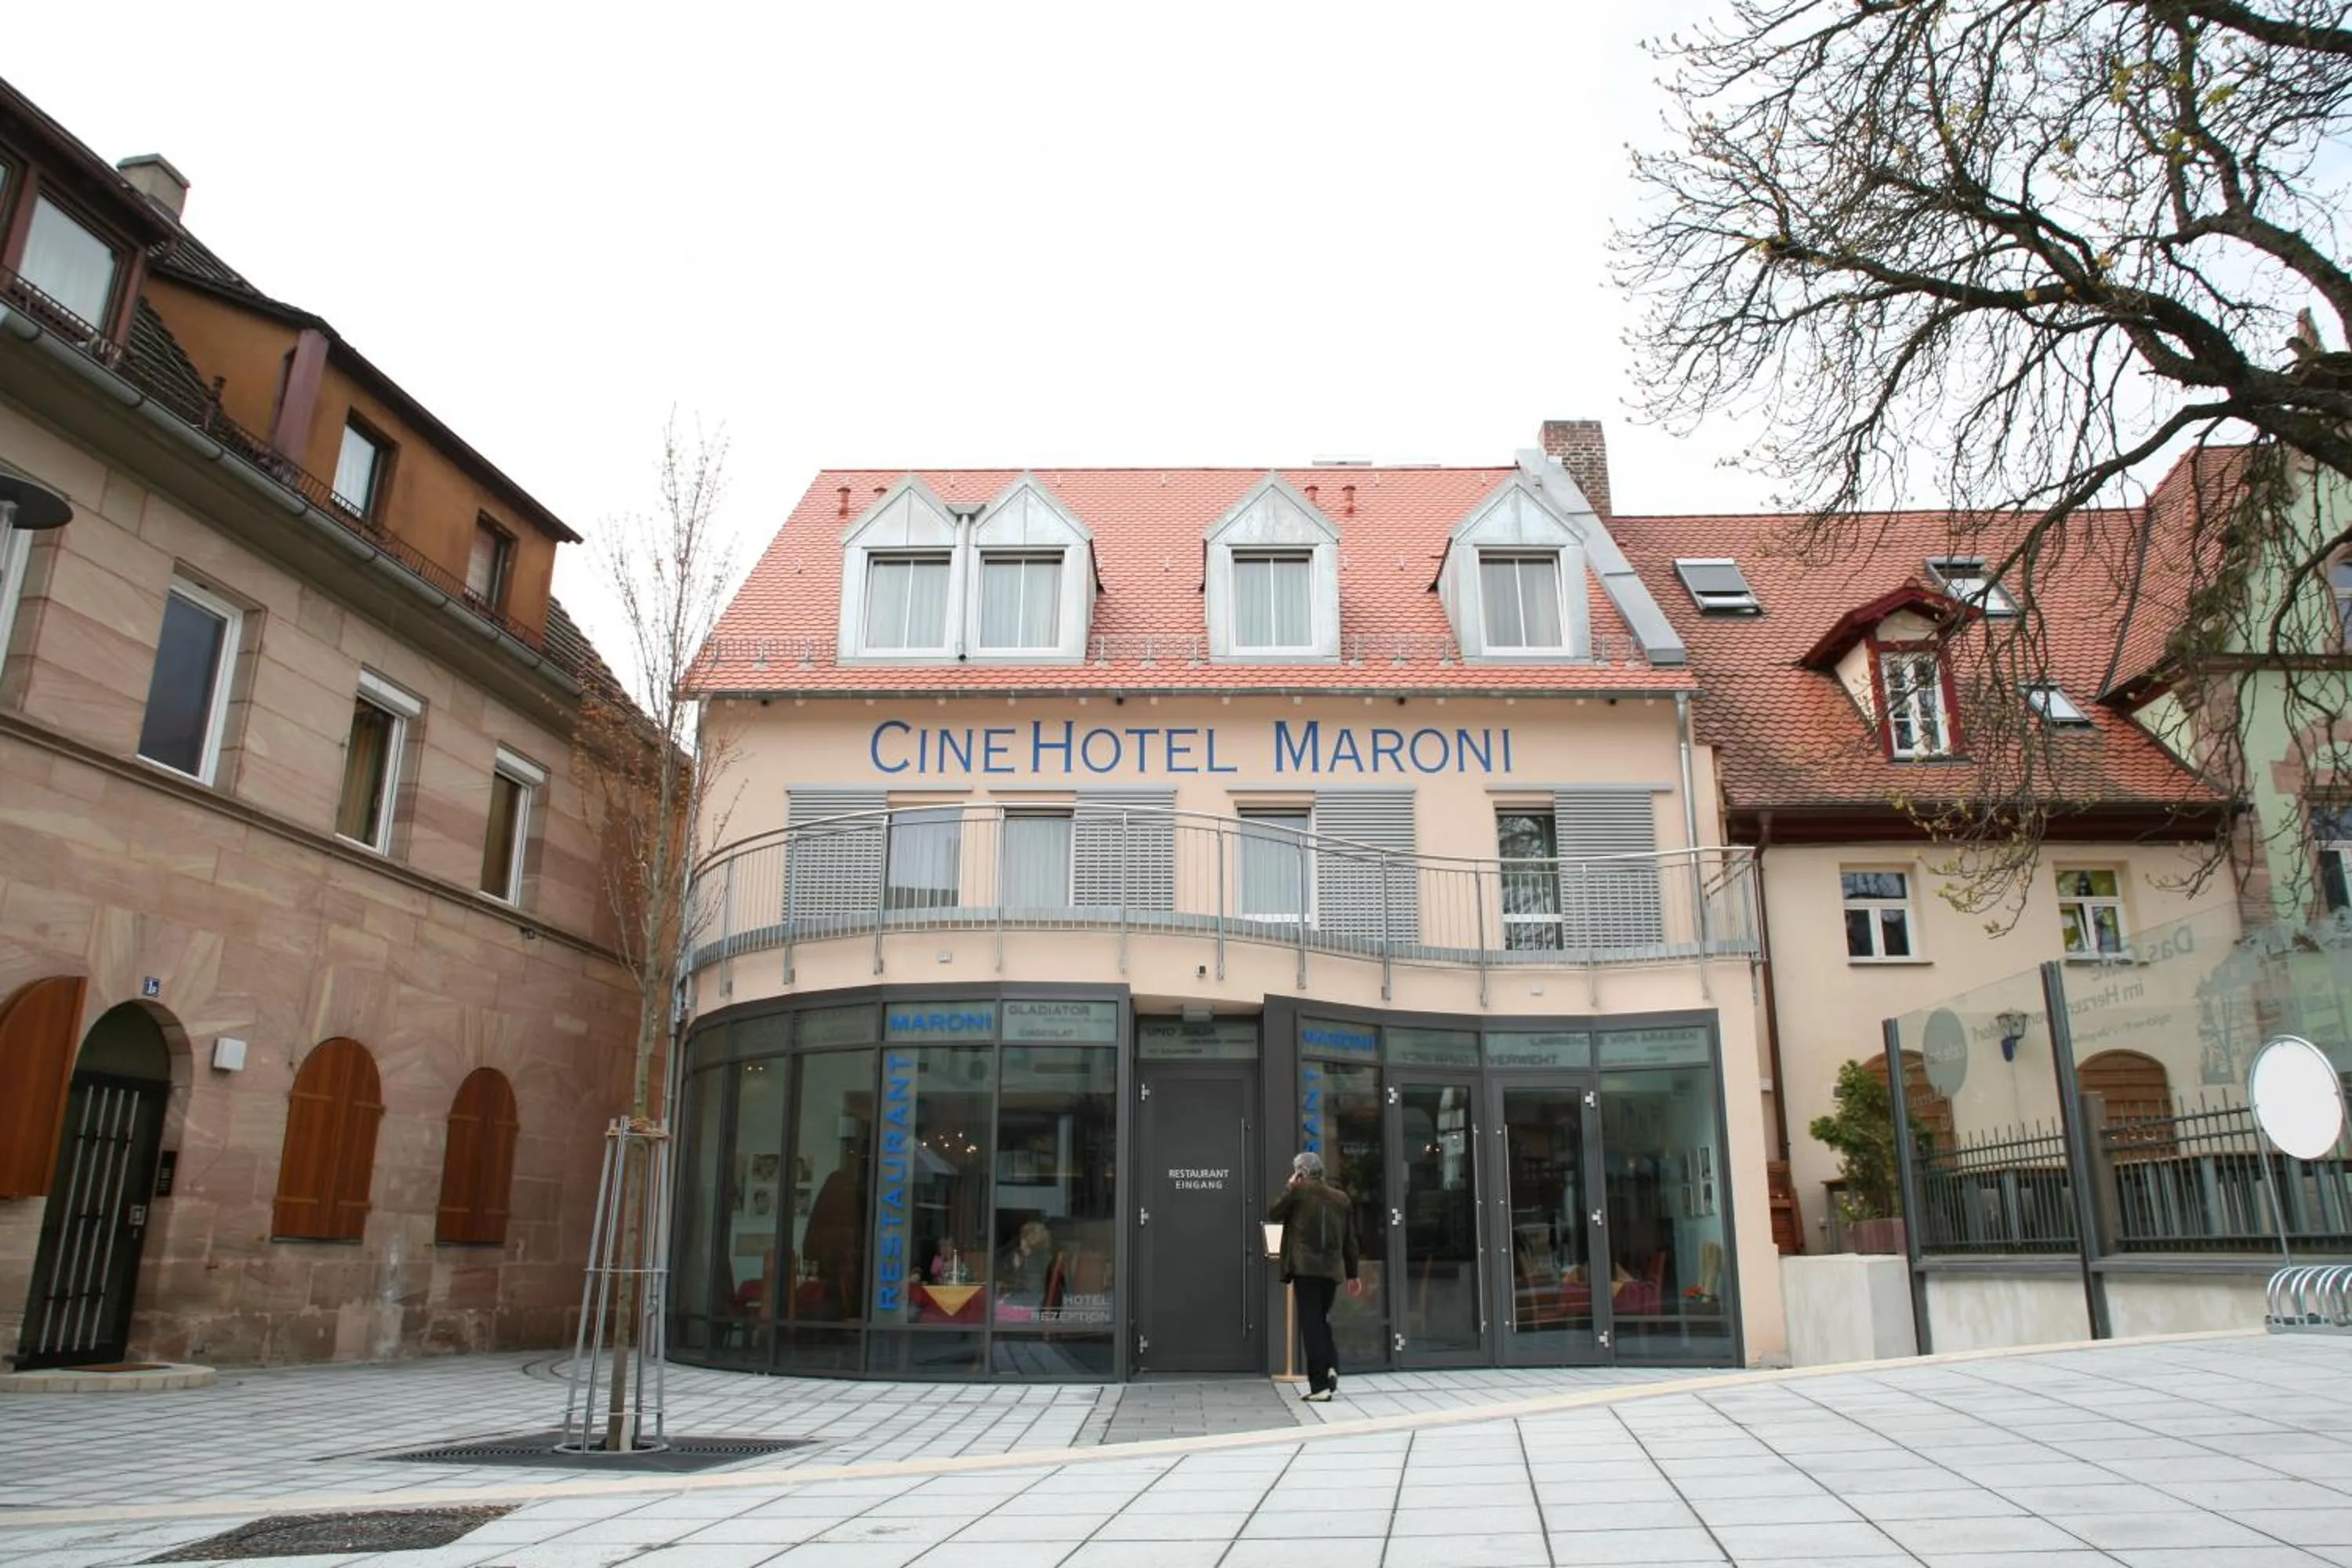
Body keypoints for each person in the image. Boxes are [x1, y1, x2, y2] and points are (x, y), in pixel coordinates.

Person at [1266, 1150, 1360, 1402]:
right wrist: (1353, 1274)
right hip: (1331, 1270)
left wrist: (1289, 1187)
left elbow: (1274, 1213)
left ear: (1301, 1172)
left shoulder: (1298, 1193)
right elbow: (1350, 1241)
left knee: (1311, 1325)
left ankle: (1319, 1386)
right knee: (1321, 1320)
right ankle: (1331, 1367)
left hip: (1305, 1269)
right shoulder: (1341, 1199)